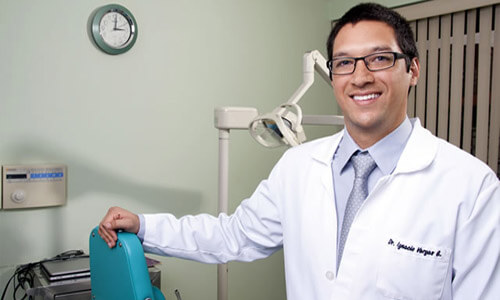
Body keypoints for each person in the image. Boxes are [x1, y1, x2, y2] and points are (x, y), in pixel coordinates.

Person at [99, 3, 500, 299]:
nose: (360, 77)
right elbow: (232, 235)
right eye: (344, 63)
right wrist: (146, 226)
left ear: (412, 69)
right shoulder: (298, 166)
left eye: (379, 58)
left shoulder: (470, 186)